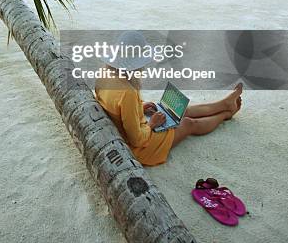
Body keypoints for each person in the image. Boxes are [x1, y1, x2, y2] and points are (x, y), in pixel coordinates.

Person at [95, 32, 242, 167]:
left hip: (130, 127)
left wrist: (140, 107)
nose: (143, 66)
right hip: (139, 148)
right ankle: (226, 114)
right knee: (188, 123)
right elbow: (137, 140)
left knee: (179, 112)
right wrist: (152, 124)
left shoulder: (104, 73)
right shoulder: (127, 92)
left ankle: (224, 104)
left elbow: (115, 108)